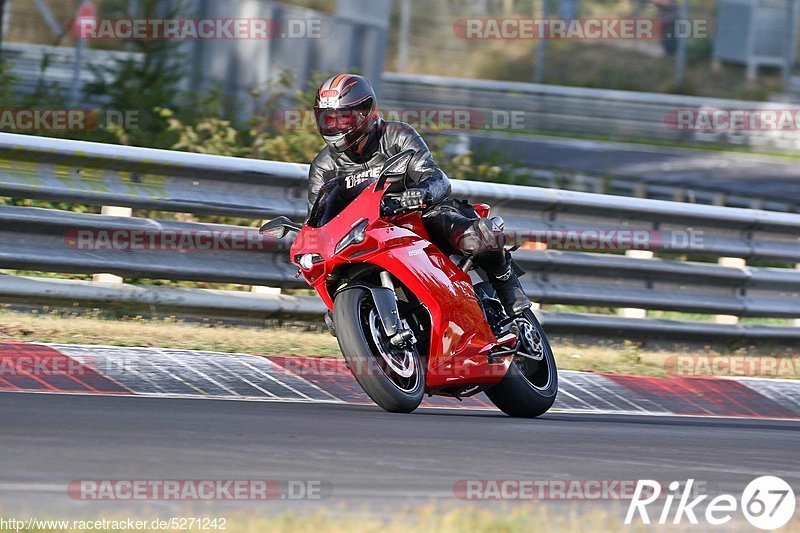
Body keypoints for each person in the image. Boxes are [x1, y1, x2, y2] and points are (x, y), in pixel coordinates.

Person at [308, 73, 531, 317]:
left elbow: (436, 178)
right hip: (367, 231)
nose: (335, 127)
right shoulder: (323, 166)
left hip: (419, 215)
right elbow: (318, 217)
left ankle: (506, 284)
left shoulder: (397, 135)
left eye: (343, 118)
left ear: (366, 112)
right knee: (333, 294)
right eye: (328, 119)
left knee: (476, 236)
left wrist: (420, 193)